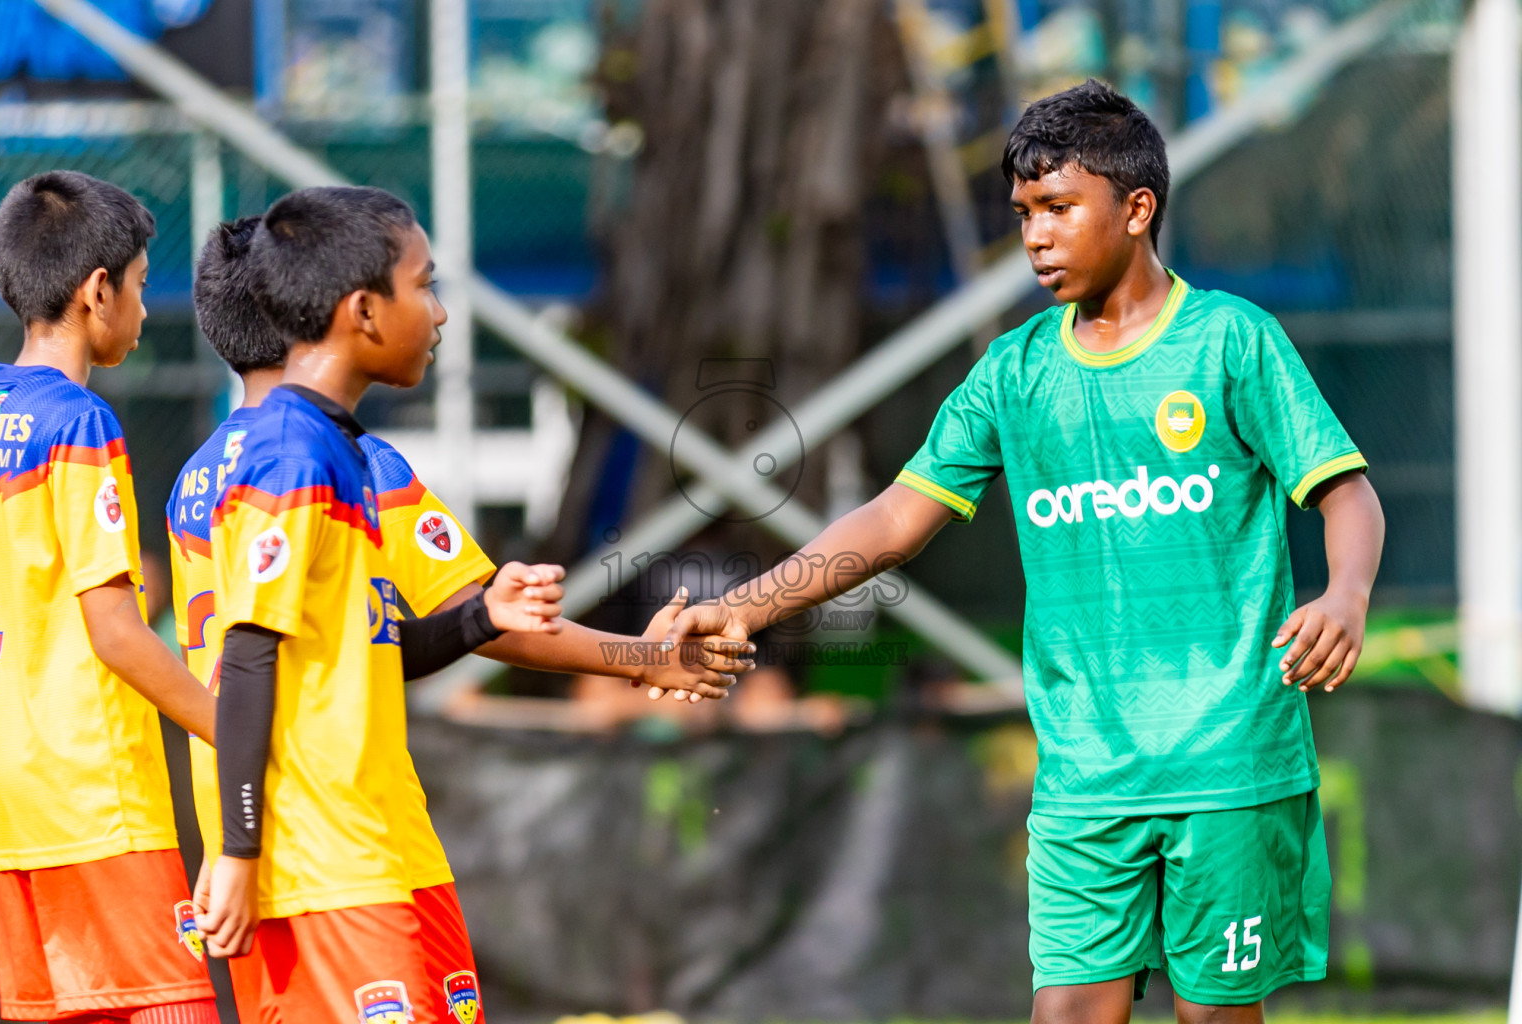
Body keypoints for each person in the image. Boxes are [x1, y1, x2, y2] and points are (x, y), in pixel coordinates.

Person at [664, 80, 1386, 1024]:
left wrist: (1346, 595)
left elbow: (1348, 493)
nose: (1036, 235)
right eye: (1023, 215)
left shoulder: (1230, 342)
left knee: (1213, 1015)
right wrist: (748, 605)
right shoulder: (1012, 372)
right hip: (1085, 772)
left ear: (1136, 210)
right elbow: (890, 520)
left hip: (1227, 761)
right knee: (1068, 1012)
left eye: (1058, 209)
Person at [170, 213, 749, 1021]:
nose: (439, 311)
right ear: (336, 306)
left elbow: (375, 643)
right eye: (424, 285)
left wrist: (605, 649)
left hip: (385, 846)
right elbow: (248, 657)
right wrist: (236, 848)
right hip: (322, 859)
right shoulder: (298, 461)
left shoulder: (252, 467)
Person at [0, 171, 221, 1023]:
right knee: (171, 1005)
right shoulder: (80, 423)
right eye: (142, 286)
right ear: (96, 292)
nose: (146, 311)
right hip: (93, 795)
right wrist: (229, 728)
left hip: (4, 806)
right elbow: (116, 631)